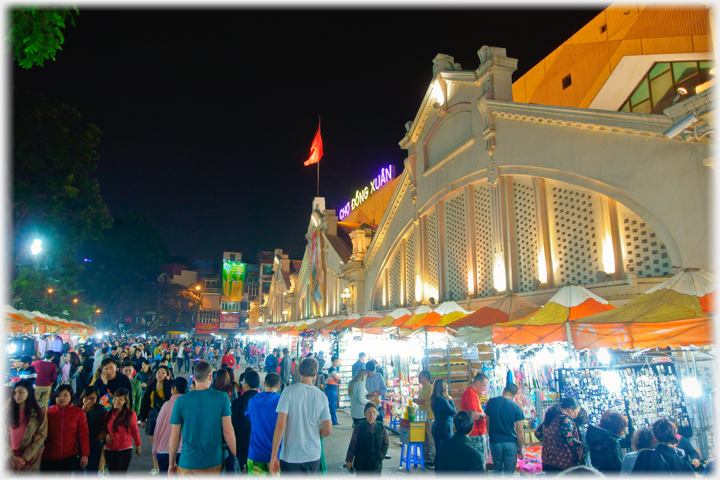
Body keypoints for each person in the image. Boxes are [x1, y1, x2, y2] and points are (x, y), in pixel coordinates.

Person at [168, 361, 236, 475]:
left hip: (188, 463)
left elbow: (174, 435)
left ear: (194, 378)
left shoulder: (180, 401)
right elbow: (228, 430)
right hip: (213, 462)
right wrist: (234, 456)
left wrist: (171, 464)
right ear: (210, 376)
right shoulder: (222, 397)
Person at [270, 357, 332, 474]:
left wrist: (274, 456)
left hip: (290, 455)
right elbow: (328, 430)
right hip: (313, 454)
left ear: (298, 372)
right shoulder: (322, 396)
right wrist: (314, 434)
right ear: (315, 374)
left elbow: (280, 425)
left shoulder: (288, 391)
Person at [42, 385, 90, 472]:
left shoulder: (78, 412)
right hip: (49, 456)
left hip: (69, 456)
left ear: (71, 396)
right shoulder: (48, 413)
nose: (62, 398)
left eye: (65, 395)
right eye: (59, 396)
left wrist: (85, 454)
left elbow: (84, 435)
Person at [5, 380, 47, 473]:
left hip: (28, 456)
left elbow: (42, 434)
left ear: (29, 392)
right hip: (8, 456)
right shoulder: (7, 410)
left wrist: (24, 458)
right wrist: (11, 457)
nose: (17, 395)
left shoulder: (38, 411)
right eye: (15, 392)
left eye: (21, 392)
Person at [485, 382, 526, 476]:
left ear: (504, 390)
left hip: (495, 441)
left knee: (497, 471)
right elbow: (520, 431)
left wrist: (491, 437)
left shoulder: (491, 402)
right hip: (511, 443)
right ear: (514, 395)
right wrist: (520, 449)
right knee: (509, 473)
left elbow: (487, 423)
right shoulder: (517, 407)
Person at [245, 372, 282, 475]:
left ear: (264, 383)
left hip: (255, 454)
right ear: (278, 386)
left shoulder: (252, 401)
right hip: (276, 455)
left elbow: (249, 416)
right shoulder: (282, 402)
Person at [534, 397, 583, 473]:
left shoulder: (552, 416)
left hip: (548, 460)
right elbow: (567, 438)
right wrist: (581, 446)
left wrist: (548, 443)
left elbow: (537, 433)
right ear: (570, 409)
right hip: (562, 462)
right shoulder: (566, 418)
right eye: (577, 412)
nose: (577, 415)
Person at [152, 377, 188, 474]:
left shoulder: (167, 405)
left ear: (174, 389)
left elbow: (158, 429)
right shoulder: (189, 405)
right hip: (184, 451)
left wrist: (154, 450)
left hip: (164, 450)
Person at [141, 366, 172, 475]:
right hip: (152, 415)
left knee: (165, 442)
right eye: (158, 372)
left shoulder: (169, 386)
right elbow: (145, 402)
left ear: (167, 375)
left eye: (162, 373)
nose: (159, 374)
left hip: (165, 415)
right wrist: (143, 418)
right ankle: (156, 467)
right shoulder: (151, 386)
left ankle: (167, 465)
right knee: (154, 442)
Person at [102, 388, 141, 474]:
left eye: (120, 399)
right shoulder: (107, 414)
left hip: (125, 449)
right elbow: (103, 429)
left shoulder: (131, 414)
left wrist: (138, 445)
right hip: (110, 450)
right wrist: (106, 436)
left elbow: (135, 430)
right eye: (115, 398)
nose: (117, 401)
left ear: (125, 401)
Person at [345, 402, 389, 474]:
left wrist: (381, 455)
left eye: (374, 412)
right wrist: (349, 460)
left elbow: (386, 443)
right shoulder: (359, 425)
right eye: (369, 412)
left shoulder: (380, 426)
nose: (371, 414)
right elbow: (353, 443)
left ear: (376, 414)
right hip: (361, 463)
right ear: (365, 413)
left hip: (376, 463)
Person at [232, 370, 261, 472]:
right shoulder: (263, 401)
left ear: (247, 384)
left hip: (241, 444)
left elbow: (232, 425)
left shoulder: (238, 402)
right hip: (258, 444)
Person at [460, 372, 490, 470]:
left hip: (478, 432)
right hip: (475, 433)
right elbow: (474, 415)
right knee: (478, 463)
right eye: (484, 385)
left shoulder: (473, 393)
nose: (484, 388)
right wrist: (486, 416)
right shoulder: (470, 393)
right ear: (477, 383)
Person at [587, 409, 628, 474]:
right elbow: (617, 467)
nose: (622, 433)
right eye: (622, 429)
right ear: (616, 427)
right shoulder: (610, 440)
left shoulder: (593, 434)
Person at [79, 385, 109, 475]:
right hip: (79, 444)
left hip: (95, 442)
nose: (90, 401)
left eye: (93, 398)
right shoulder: (77, 409)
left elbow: (109, 423)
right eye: (87, 397)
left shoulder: (102, 410)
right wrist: (82, 411)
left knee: (92, 469)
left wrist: (104, 431)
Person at [412, 370, 435, 466]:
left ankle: (433, 458)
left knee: (430, 439)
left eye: (420, 376)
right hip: (422, 416)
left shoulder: (431, 389)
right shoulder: (422, 388)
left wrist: (422, 402)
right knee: (424, 438)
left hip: (429, 416)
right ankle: (426, 457)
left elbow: (432, 403)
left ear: (425, 378)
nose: (419, 378)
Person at [430, 378, 456, 454]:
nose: (448, 389)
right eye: (447, 387)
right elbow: (453, 412)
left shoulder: (434, 398)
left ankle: (438, 466)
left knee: (439, 453)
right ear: (443, 388)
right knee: (445, 454)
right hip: (444, 430)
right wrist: (451, 400)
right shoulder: (442, 400)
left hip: (437, 428)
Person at [325, 355, 341, 425]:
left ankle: (333, 420)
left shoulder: (334, 370)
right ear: (332, 362)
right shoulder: (332, 369)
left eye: (338, 361)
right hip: (331, 389)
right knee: (332, 406)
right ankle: (334, 421)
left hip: (333, 389)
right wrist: (338, 379)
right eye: (336, 361)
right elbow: (337, 379)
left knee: (333, 405)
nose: (337, 362)